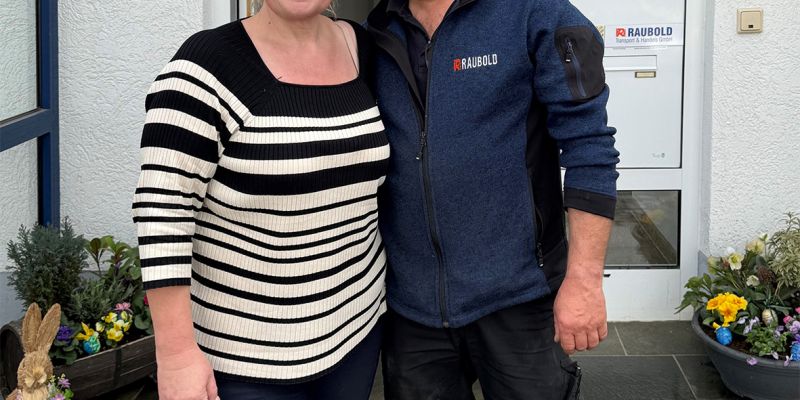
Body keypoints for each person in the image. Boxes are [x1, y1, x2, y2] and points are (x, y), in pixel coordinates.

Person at [132, 1, 389, 399]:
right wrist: (177, 355)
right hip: (244, 362)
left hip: (356, 334)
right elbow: (162, 211)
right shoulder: (206, 65)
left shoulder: (363, 48)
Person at [366, 0, 619, 399]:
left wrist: (583, 280)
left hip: (519, 297)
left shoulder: (534, 12)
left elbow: (590, 150)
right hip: (413, 309)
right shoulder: (379, 27)